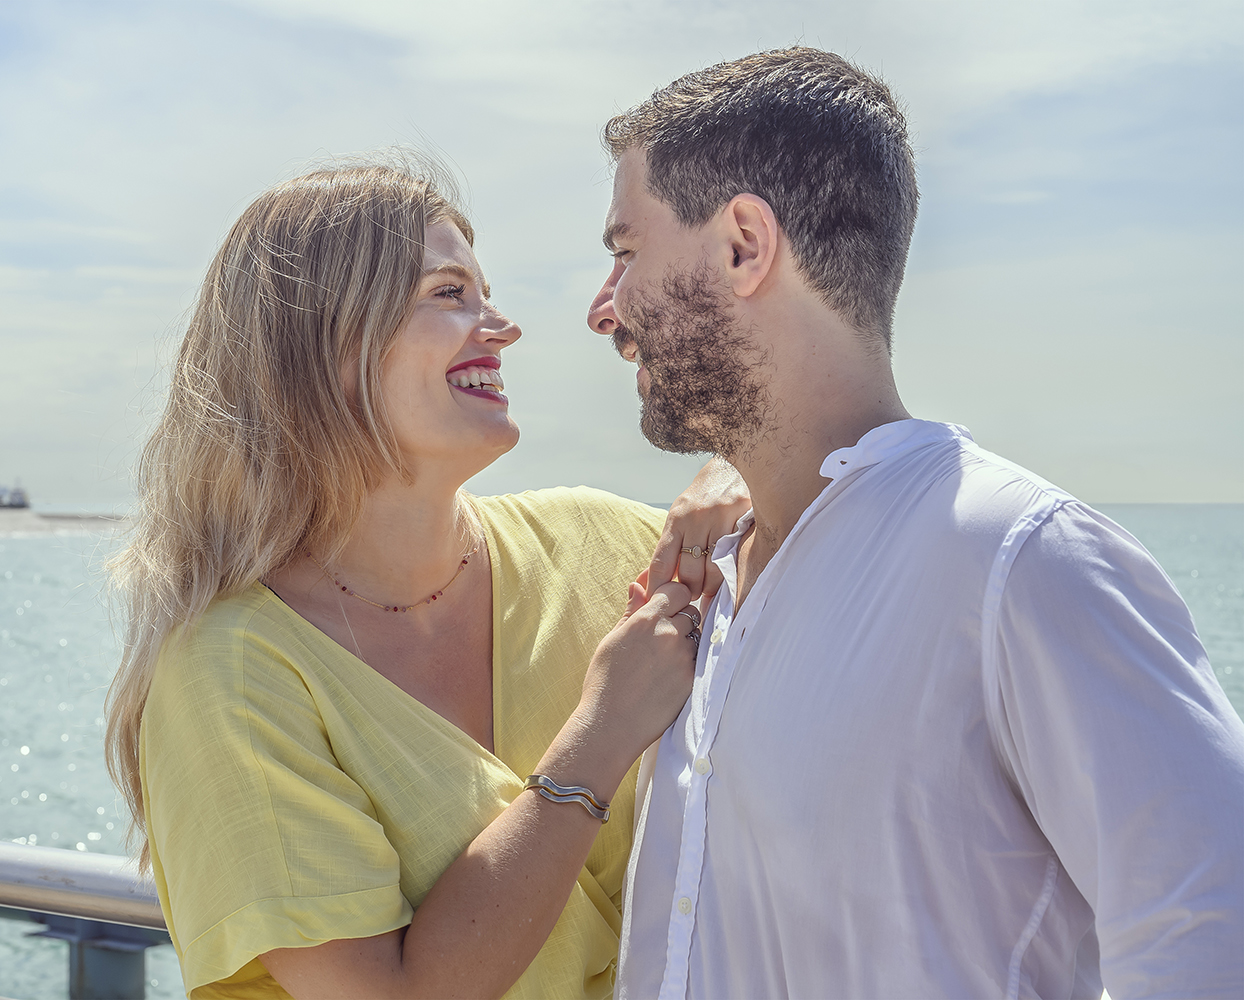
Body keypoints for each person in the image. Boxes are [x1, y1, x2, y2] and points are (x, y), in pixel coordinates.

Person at [591, 48, 1244, 999]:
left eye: (624, 251)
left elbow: (1207, 929)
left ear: (743, 244)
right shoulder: (708, 585)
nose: (604, 306)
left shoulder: (1018, 560)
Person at [104, 160, 750, 999]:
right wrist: (601, 729)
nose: (502, 326)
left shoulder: (602, 539)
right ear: (322, 345)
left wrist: (742, 479)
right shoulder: (228, 672)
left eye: (486, 292)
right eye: (450, 293)